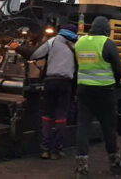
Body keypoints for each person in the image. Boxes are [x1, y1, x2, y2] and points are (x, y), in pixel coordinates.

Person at [11, 24, 78, 160]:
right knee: (61, 116)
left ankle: (45, 150)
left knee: (47, 115)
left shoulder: (53, 41)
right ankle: (56, 151)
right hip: (66, 83)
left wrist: (16, 47)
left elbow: (34, 54)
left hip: (51, 81)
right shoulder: (77, 44)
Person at [74, 16, 121, 177]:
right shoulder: (107, 43)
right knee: (108, 127)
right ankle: (115, 162)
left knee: (83, 127)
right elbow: (118, 68)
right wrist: (115, 82)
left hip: (84, 91)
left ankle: (81, 168)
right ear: (106, 30)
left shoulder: (80, 43)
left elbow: (77, 65)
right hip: (105, 92)